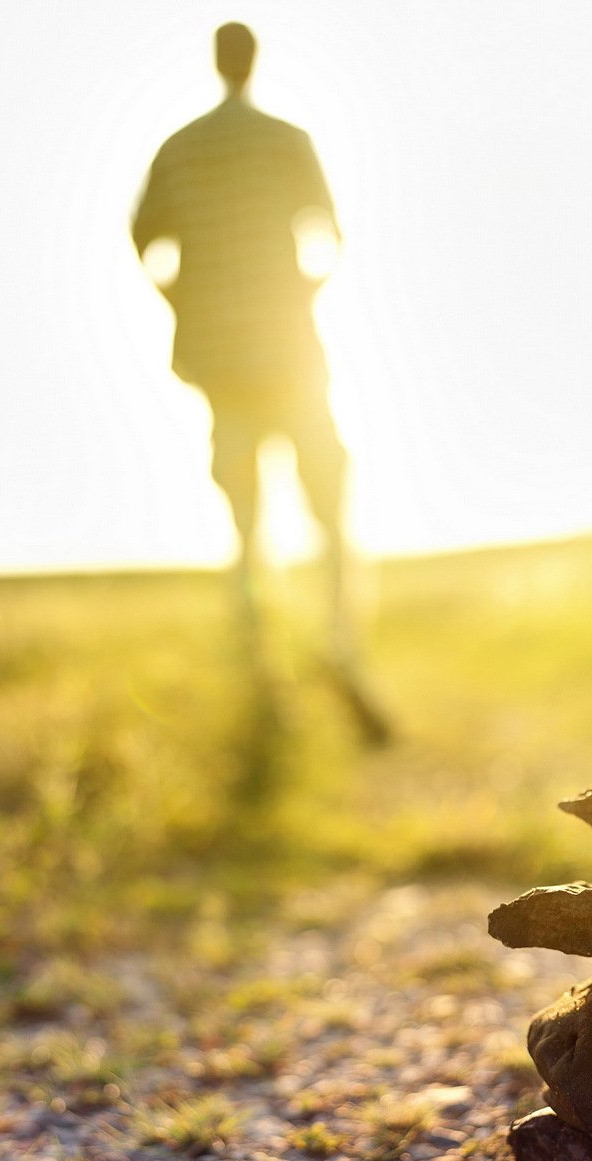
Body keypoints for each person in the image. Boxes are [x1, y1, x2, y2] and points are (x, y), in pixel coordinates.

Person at [132, 23, 387, 742]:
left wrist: (180, 302)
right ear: (256, 63)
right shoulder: (286, 140)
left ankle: (260, 667)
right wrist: (306, 288)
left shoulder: (179, 149)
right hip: (290, 351)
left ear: (217, 64)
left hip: (219, 362)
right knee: (329, 510)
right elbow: (331, 235)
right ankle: (341, 648)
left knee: (245, 523)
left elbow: (142, 237)